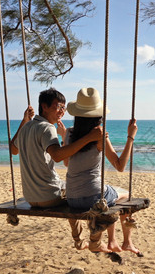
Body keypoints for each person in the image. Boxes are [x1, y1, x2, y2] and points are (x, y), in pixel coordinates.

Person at [10, 87, 103, 250]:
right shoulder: (47, 128)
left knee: (67, 187)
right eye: (58, 106)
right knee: (78, 190)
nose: (62, 111)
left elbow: (13, 150)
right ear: (44, 106)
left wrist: (24, 121)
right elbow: (58, 155)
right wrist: (89, 138)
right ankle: (91, 241)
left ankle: (80, 241)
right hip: (49, 195)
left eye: (64, 108)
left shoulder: (26, 127)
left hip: (31, 197)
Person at [63, 87, 141, 256]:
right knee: (125, 195)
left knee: (109, 193)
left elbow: (66, 162)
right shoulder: (100, 136)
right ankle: (126, 242)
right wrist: (130, 137)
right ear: (98, 116)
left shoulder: (69, 133)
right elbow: (120, 166)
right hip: (92, 198)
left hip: (72, 199)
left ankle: (113, 241)